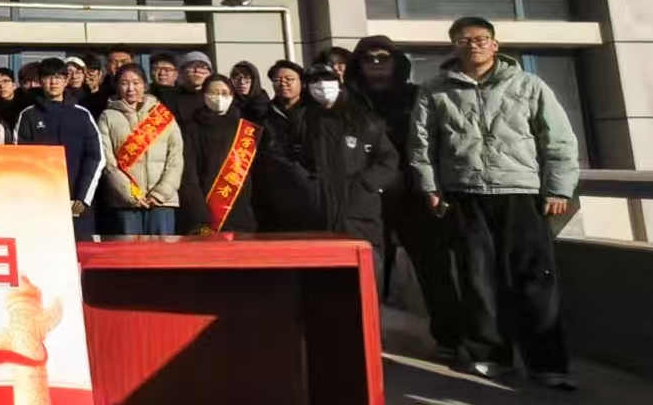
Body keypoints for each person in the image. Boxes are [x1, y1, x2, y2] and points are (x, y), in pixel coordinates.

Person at [410, 16, 580, 389]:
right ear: (454, 46)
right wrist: (431, 188)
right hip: (465, 193)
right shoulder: (435, 90)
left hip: (520, 192)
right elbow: (422, 146)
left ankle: (547, 363)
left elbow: (559, 140)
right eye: (464, 40)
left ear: (495, 44)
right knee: (477, 279)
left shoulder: (528, 85)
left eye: (481, 38)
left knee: (535, 278)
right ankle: (489, 355)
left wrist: (558, 189)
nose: (473, 45)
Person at [347, 37, 463, 357]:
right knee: (366, 272)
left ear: (395, 61)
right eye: (368, 59)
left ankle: (450, 339)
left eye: (382, 57)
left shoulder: (417, 96)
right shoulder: (347, 102)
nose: (376, 64)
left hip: (415, 197)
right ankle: (366, 340)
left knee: (433, 269)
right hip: (367, 198)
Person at [263, 65, 399, 259]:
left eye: (328, 80)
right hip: (315, 211)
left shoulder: (362, 119)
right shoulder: (299, 120)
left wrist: (366, 184)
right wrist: (305, 184)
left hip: (358, 211)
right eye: (316, 82)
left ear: (338, 84)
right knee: (320, 267)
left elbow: (388, 158)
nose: (323, 86)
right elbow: (280, 157)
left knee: (365, 266)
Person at [16, 58, 103, 241]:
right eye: (48, 77)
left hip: (76, 201)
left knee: (80, 253)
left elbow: (95, 157)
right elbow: (19, 160)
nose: (53, 82)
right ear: (40, 81)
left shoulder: (82, 114)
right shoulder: (28, 115)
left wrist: (83, 196)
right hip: (40, 202)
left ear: (66, 80)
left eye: (58, 77)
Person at [95, 63, 183, 236]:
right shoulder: (108, 116)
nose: (131, 88)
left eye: (136, 83)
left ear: (145, 85)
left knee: (162, 251)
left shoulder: (162, 115)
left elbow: (176, 158)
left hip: (162, 202)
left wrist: (161, 193)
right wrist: (130, 194)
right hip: (125, 202)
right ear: (117, 86)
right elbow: (108, 161)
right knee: (129, 251)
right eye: (124, 83)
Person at [178, 74, 262, 235]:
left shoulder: (245, 129)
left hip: (242, 211)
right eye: (214, 92)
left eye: (224, 93)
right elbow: (189, 175)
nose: (219, 97)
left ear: (232, 96)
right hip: (204, 211)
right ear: (204, 95)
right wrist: (199, 214)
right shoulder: (191, 129)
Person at [171, 50, 213, 122]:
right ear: (181, 72)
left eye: (203, 67)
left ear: (209, 73)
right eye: (192, 66)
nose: (197, 70)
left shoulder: (214, 97)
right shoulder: (171, 98)